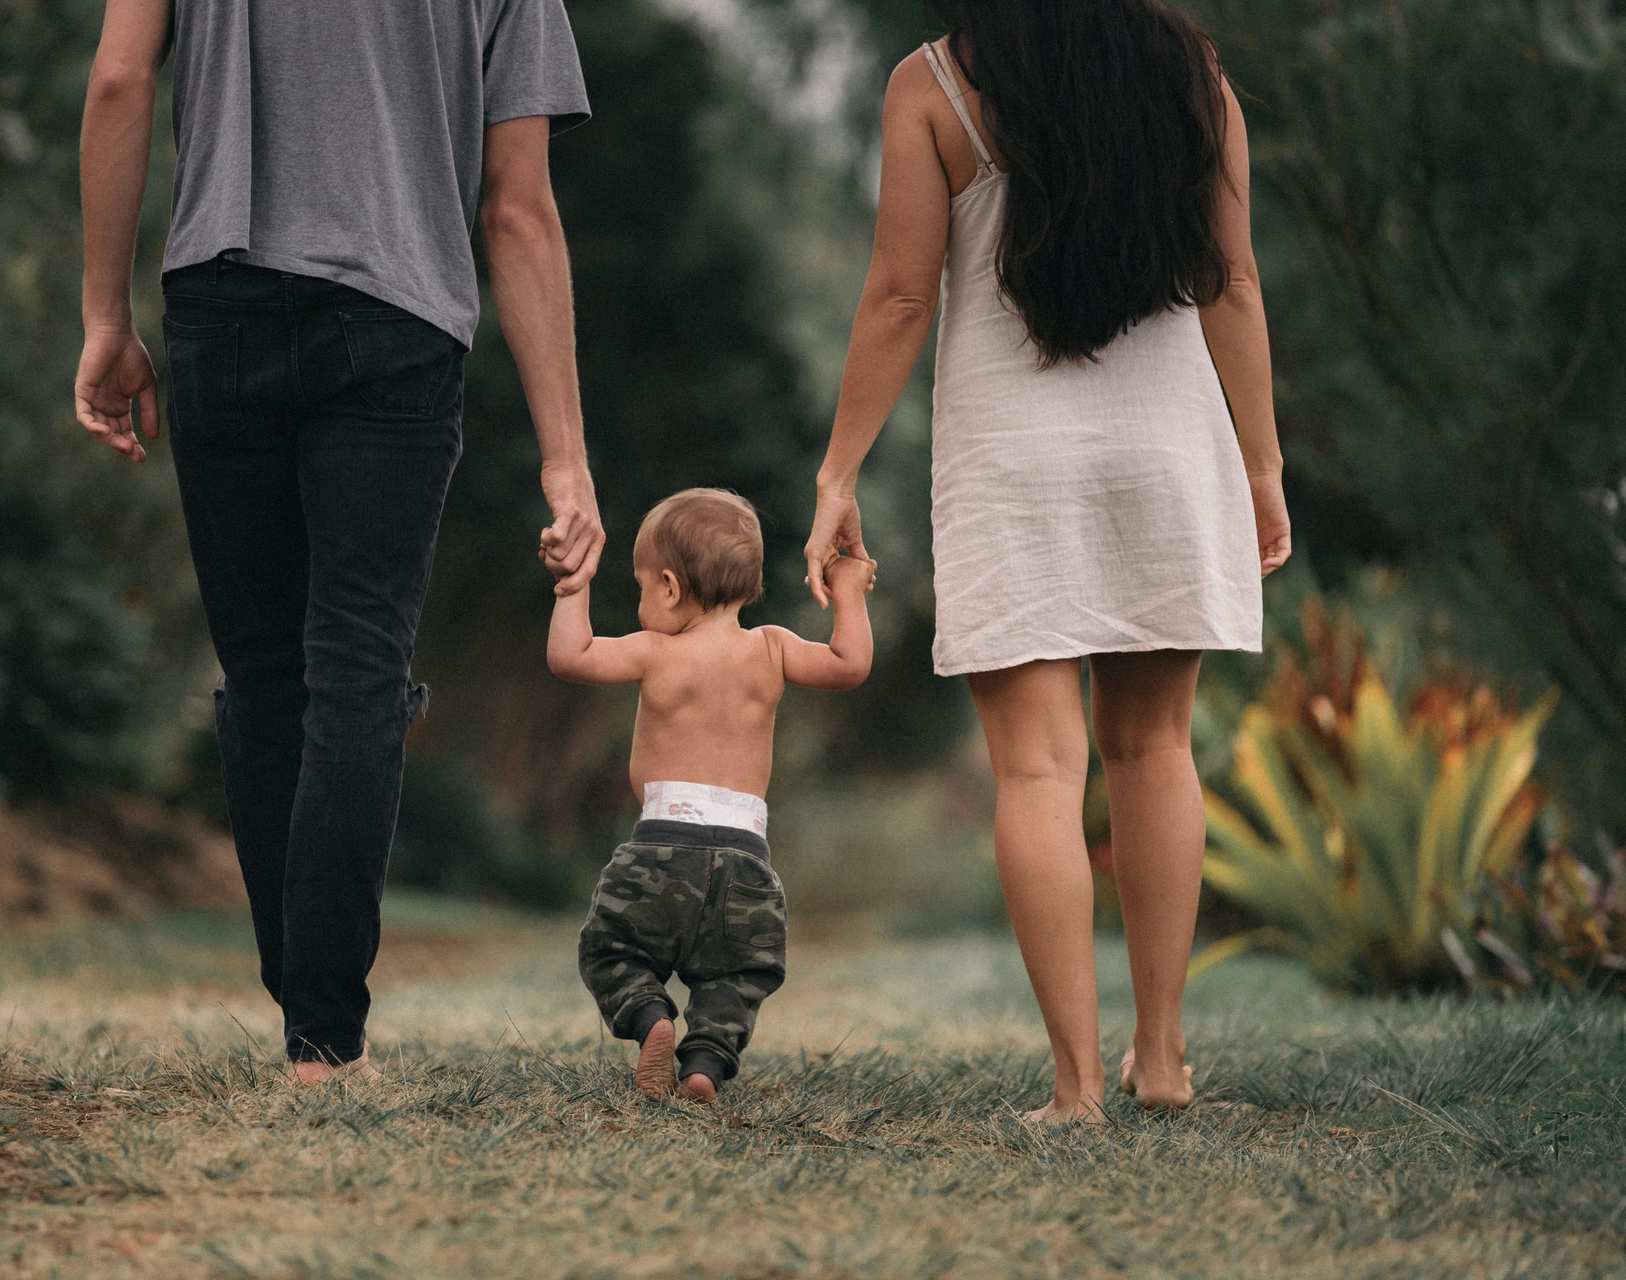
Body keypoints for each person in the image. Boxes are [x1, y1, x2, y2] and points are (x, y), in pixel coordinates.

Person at [73, 0, 606, 1084]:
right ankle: (324, 1038)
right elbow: (518, 210)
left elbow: (120, 82)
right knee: (356, 666)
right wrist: (566, 457)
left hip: (218, 301)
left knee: (267, 676)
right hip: (395, 321)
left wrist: (104, 320)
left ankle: (308, 1012)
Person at [804, 0, 1291, 1121]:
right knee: (1155, 746)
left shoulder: (932, 83)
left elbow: (899, 295)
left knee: (1035, 769)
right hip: (1171, 447)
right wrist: (1261, 463)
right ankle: (1161, 1061)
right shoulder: (1192, 74)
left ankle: (1076, 1087)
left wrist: (839, 472)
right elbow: (1235, 280)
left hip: (1013, 460)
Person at [547, 489, 874, 1101]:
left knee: (611, 947)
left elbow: (571, 656)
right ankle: (704, 1066)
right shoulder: (773, 648)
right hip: (747, 862)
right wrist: (848, 587)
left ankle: (652, 1019)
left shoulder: (656, 651)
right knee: (737, 976)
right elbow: (849, 664)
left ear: (670, 587)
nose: (642, 601)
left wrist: (574, 582)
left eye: (642, 587)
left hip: (660, 849)